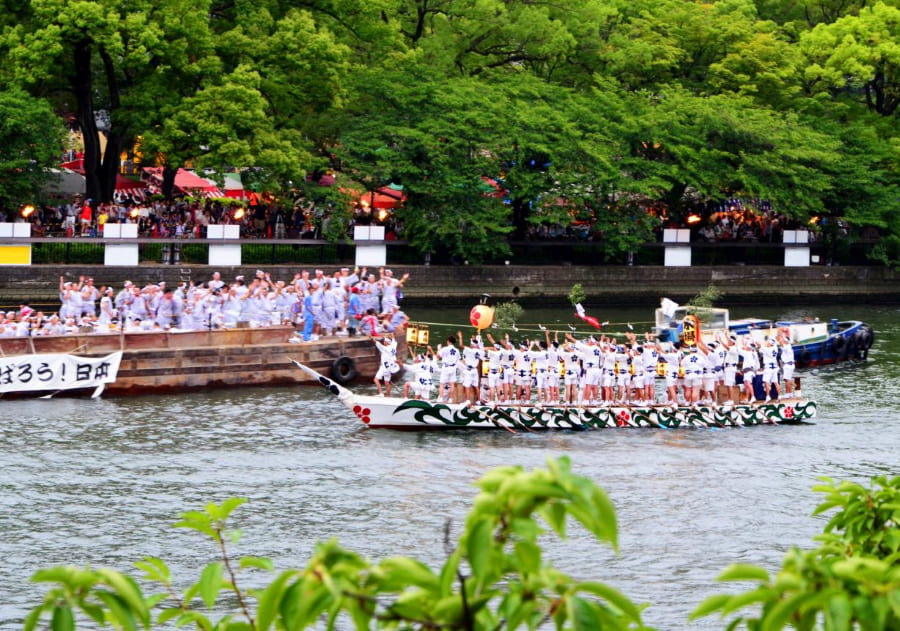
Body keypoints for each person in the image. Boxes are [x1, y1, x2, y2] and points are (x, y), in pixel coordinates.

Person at [437, 335, 460, 402]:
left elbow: (438, 356)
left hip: (446, 367)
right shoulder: (457, 350)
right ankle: (450, 399)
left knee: (442, 383)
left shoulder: (445, 349)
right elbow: (458, 360)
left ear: (448, 341)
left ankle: (441, 398)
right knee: (452, 384)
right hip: (453, 368)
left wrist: (439, 349)